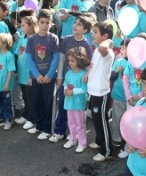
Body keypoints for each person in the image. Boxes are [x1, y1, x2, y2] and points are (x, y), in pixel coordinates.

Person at [50, 16, 93, 143]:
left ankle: (75, 134)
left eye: (79, 24)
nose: (75, 26)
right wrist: (59, 77)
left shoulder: (86, 45)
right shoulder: (67, 40)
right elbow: (62, 60)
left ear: (85, 30)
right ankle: (59, 131)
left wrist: (86, 77)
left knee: (77, 111)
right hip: (66, 81)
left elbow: (87, 65)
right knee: (63, 105)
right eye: (75, 23)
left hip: (78, 84)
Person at [25, 9, 60, 140]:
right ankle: (39, 125)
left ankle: (47, 128)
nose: (45, 25)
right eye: (42, 22)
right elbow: (29, 58)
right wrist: (36, 75)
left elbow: (56, 58)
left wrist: (50, 75)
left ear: (51, 24)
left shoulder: (53, 38)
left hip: (49, 78)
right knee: (37, 102)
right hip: (36, 78)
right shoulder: (32, 39)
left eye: (47, 23)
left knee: (48, 103)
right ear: (38, 23)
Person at [87, 22, 115, 162]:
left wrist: (109, 40)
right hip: (93, 91)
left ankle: (106, 151)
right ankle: (99, 140)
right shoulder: (97, 50)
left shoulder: (106, 51)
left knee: (102, 121)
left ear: (104, 36)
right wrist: (88, 75)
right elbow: (95, 66)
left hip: (101, 93)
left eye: (95, 32)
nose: (92, 34)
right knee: (96, 119)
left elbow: (104, 46)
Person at [62, 47, 90, 153]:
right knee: (71, 122)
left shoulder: (83, 74)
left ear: (80, 60)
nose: (70, 63)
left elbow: (84, 89)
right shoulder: (68, 73)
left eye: (72, 61)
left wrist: (72, 91)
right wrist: (65, 90)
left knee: (80, 124)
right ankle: (72, 139)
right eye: (69, 61)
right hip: (69, 102)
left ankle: (82, 143)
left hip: (78, 103)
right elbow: (65, 84)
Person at [15, 15, 38, 130]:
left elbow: (36, 59)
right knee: (25, 96)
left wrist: (31, 76)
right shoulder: (22, 38)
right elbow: (17, 53)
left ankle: (32, 118)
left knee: (30, 97)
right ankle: (27, 114)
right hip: (22, 72)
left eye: (24, 25)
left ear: (31, 26)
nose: (21, 27)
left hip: (30, 74)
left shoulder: (34, 40)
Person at [110, 38, 130, 158]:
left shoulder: (134, 63)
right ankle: (116, 138)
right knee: (117, 117)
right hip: (118, 95)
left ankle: (126, 138)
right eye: (121, 47)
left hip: (130, 98)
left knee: (127, 120)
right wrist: (117, 71)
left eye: (124, 47)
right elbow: (111, 77)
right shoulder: (119, 61)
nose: (121, 50)